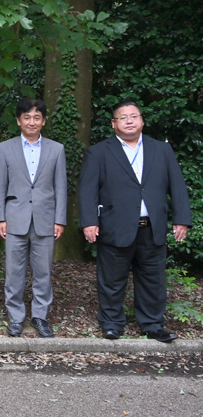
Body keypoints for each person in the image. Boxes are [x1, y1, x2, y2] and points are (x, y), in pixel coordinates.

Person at [79, 101, 191, 342]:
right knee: (111, 280)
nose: (129, 121)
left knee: (153, 280)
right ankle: (111, 323)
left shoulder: (161, 150)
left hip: (152, 227)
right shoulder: (99, 152)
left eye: (133, 116)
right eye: (123, 117)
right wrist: (89, 221)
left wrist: (182, 218)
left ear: (142, 120)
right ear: (113, 124)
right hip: (114, 226)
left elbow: (177, 186)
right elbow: (88, 190)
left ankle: (152, 324)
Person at [0, 98, 67, 338]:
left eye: (37, 117)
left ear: (43, 121)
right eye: (27, 117)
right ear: (18, 121)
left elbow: (60, 187)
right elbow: (0, 186)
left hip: (45, 220)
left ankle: (40, 317)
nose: (32, 122)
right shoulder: (5, 148)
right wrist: (0, 218)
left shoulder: (57, 149)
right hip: (14, 219)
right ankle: (15, 318)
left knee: (43, 272)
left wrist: (60, 219)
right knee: (14, 272)